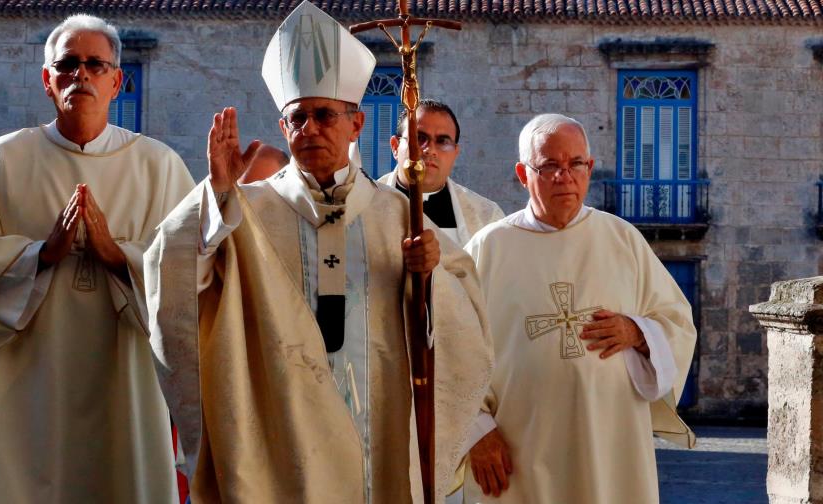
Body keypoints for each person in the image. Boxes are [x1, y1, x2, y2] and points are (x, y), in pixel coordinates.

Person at [144, 2, 493, 502]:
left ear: (356, 124)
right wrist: (217, 195)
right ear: (284, 129)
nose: (309, 129)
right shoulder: (246, 213)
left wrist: (430, 275)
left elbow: (464, 323)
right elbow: (171, 273)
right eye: (296, 118)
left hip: (381, 421)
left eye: (324, 115)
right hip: (283, 427)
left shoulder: (395, 214)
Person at [0, 14, 194, 503]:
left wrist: (119, 257)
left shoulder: (159, 166)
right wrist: (40, 255)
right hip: (21, 379)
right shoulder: (3, 159)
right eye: (68, 64)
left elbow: (190, 268)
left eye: (96, 65)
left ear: (118, 80)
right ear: (46, 80)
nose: (82, 75)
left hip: (122, 372)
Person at [462, 114, 696, 504]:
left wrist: (638, 332)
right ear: (523, 173)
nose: (563, 176)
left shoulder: (623, 240)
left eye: (576, 164)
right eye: (549, 165)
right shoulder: (488, 249)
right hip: (517, 451)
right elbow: (451, 353)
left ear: (589, 167)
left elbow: (677, 324)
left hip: (609, 450)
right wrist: (476, 432)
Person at [379, 99, 504, 245]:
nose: (430, 150)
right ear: (395, 146)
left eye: (442, 141)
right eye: (419, 138)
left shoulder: (487, 217)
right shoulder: (363, 205)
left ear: (455, 153)